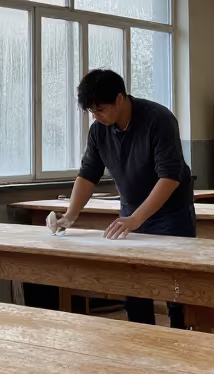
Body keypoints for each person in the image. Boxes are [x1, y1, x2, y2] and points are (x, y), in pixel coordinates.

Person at [54, 68, 195, 329]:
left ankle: (183, 343)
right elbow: (87, 175)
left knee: (178, 289)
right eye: (92, 112)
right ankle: (141, 343)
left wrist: (136, 218)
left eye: (101, 109)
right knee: (135, 285)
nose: (97, 117)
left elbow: (170, 177)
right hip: (131, 212)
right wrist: (70, 216)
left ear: (121, 98)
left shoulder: (158, 119)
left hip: (170, 214)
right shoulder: (99, 130)